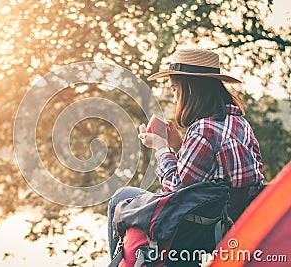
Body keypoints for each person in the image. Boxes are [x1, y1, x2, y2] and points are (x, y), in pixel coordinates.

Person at [107, 48, 265, 265]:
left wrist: (162, 148)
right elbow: (209, 176)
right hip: (226, 223)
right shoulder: (239, 124)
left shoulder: (203, 130)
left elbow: (176, 190)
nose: (173, 98)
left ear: (189, 89)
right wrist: (179, 146)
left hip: (195, 230)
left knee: (119, 197)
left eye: (174, 90)